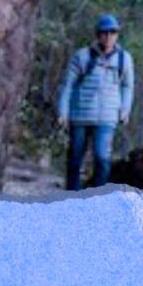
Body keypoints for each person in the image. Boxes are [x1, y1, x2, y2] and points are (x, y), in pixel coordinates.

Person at [57, 14, 135, 190]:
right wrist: (63, 111)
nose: (108, 37)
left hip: (107, 116)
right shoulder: (82, 57)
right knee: (75, 158)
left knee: (102, 157)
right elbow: (67, 85)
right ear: (97, 35)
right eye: (104, 33)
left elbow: (127, 87)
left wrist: (125, 109)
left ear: (117, 35)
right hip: (80, 115)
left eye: (112, 32)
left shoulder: (124, 59)